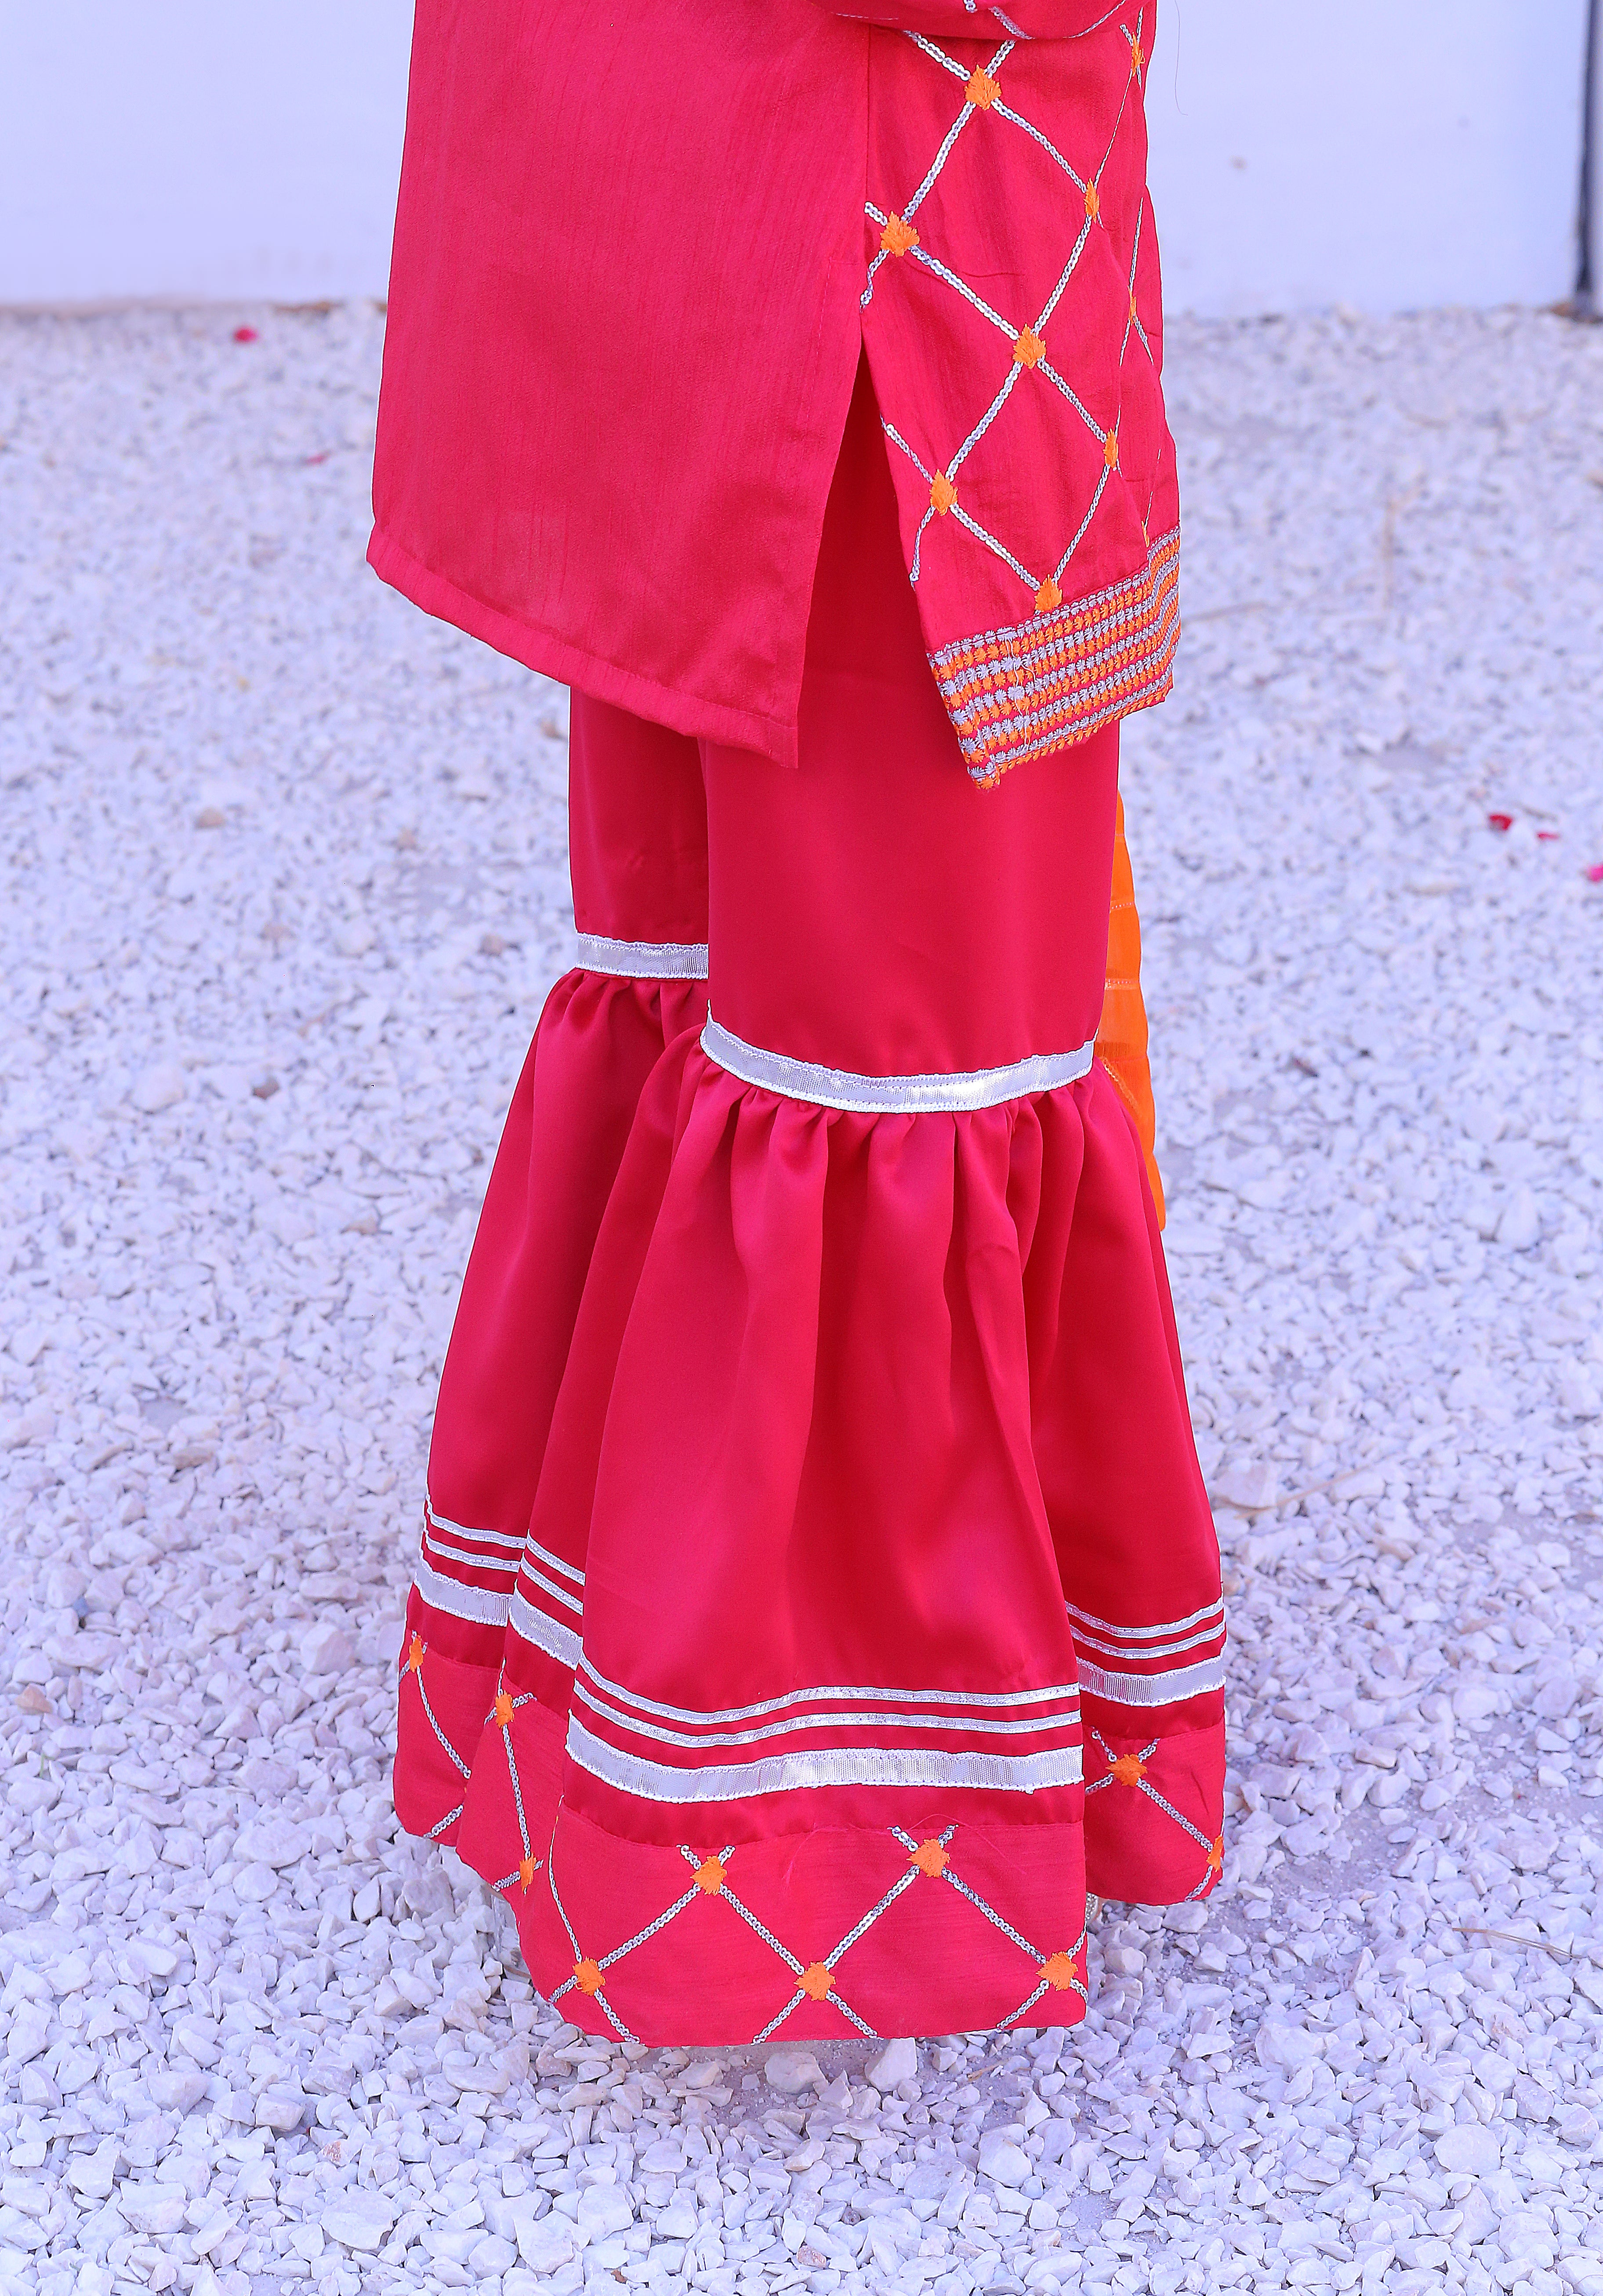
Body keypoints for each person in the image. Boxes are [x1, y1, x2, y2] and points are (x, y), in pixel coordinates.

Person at [368, 0, 1223, 2045]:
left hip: (657, 196)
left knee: (716, 953)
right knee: (890, 1023)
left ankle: (579, 1645)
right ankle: (797, 1825)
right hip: (871, 256)